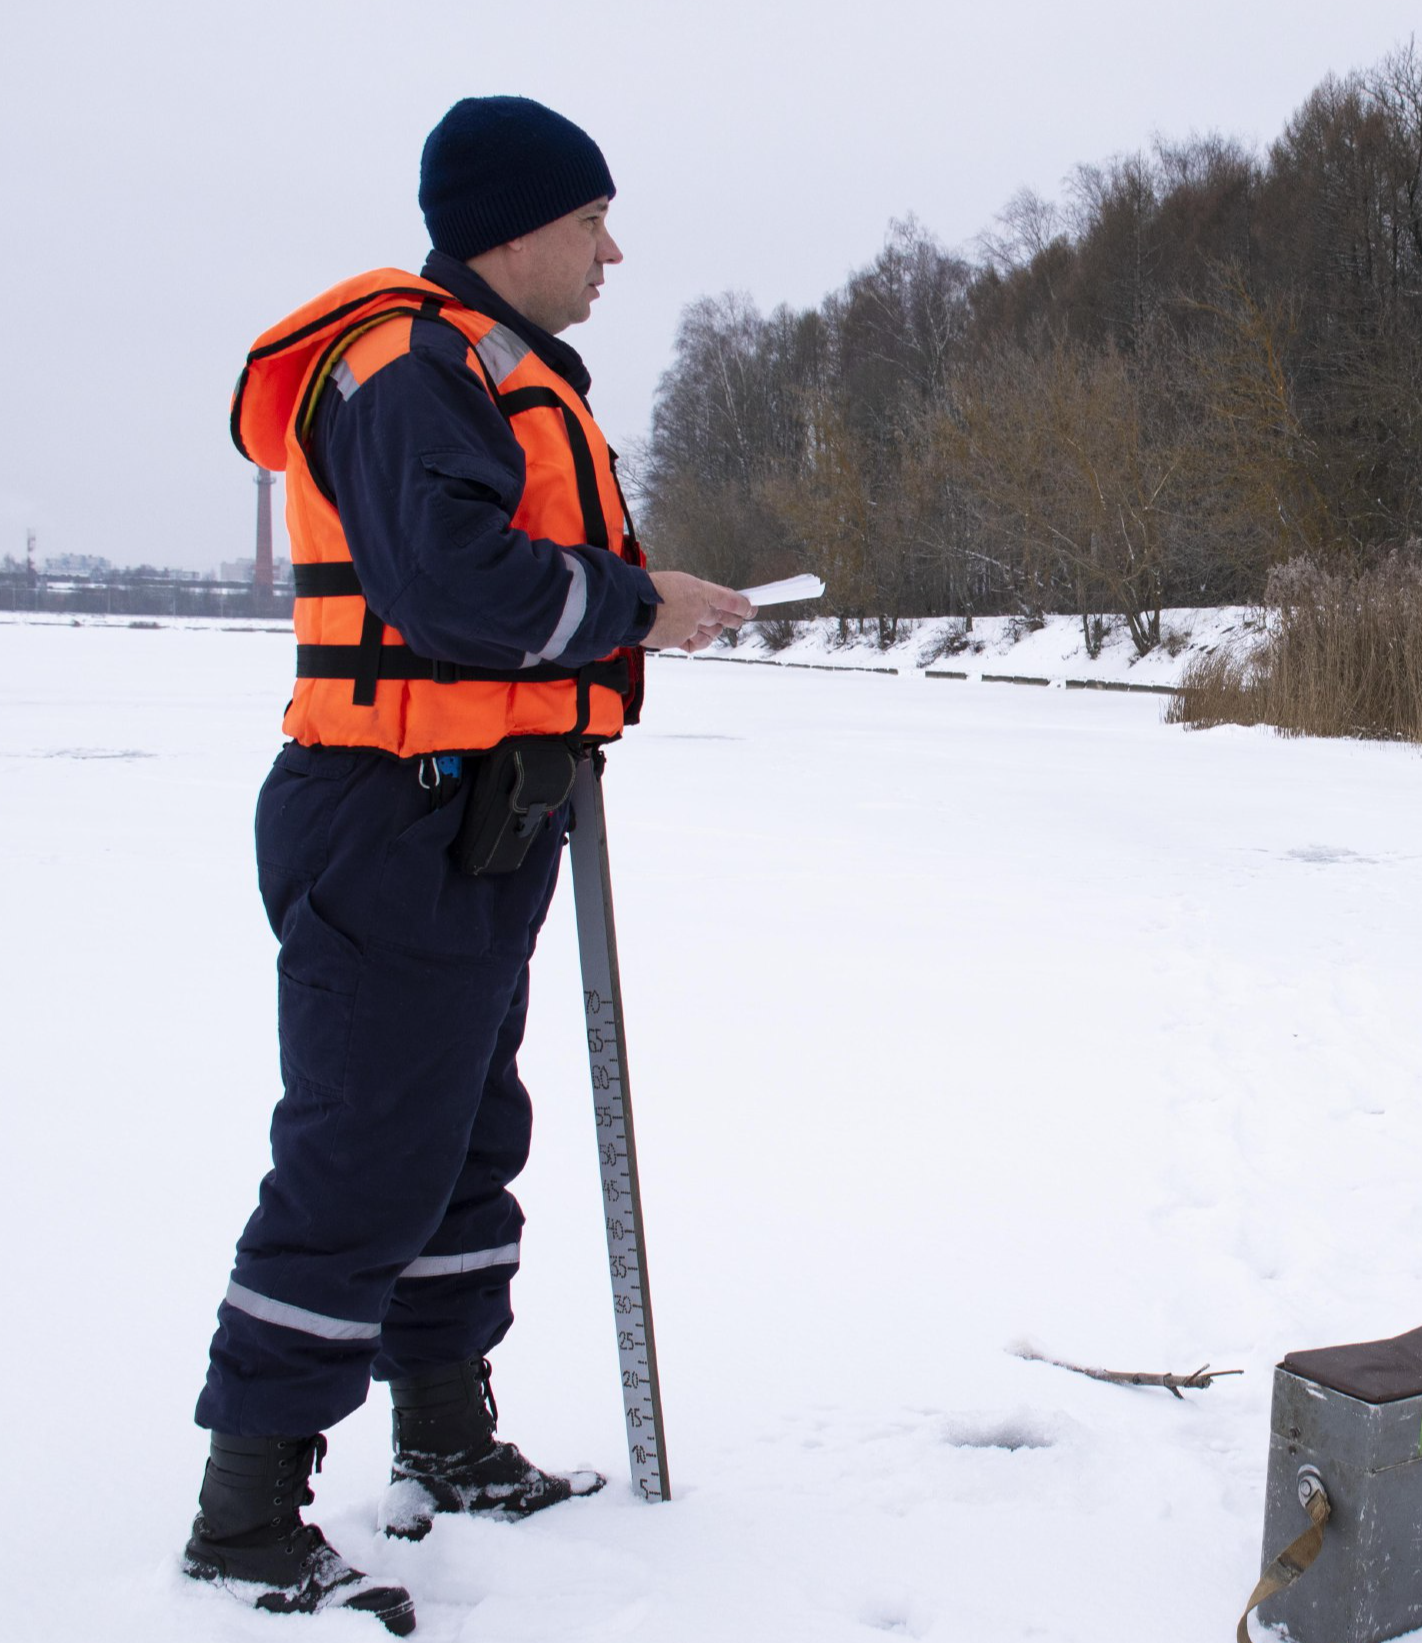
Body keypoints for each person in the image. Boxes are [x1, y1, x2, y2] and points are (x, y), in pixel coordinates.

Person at [188, 96, 751, 1630]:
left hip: (474, 814)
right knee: (364, 1150)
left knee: (457, 1137)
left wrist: (635, 613)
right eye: (590, 222)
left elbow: (492, 594)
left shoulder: (477, 367)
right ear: (509, 227)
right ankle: (245, 1512)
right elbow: (452, 587)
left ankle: (444, 1433)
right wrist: (637, 603)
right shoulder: (406, 367)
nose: (612, 250)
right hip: (387, 814)